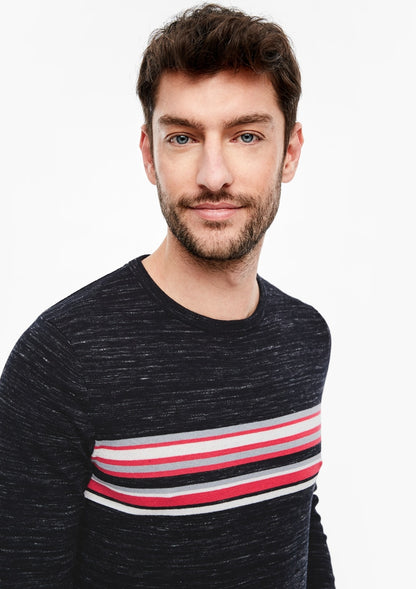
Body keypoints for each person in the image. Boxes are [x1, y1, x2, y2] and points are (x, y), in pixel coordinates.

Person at [0, 4, 335, 587]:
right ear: (149, 155)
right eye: (182, 137)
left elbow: (298, 525)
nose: (213, 175)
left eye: (246, 135)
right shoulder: (62, 359)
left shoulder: (306, 336)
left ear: (290, 151)